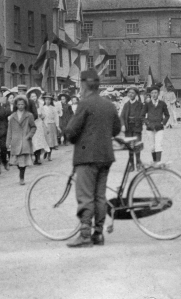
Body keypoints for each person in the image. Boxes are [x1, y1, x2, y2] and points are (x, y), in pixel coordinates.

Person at [63, 69, 122, 248]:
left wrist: (70, 136)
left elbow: (72, 131)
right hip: (105, 156)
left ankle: (85, 235)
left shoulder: (85, 104)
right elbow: (116, 129)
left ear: (84, 85)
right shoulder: (109, 105)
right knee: (100, 196)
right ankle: (98, 234)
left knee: (86, 196)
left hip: (87, 157)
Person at [5, 95, 36, 186]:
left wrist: (29, 135)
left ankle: (21, 177)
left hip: (25, 140)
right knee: (18, 162)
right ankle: (21, 172)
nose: (21, 106)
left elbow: (33, 127)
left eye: (22, 104)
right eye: (19, 104)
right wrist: (8, 141)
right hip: (15, 140)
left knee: (23, 161)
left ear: (25, 105)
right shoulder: (12, 116)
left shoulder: (29, 115)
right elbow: (9, 130)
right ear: (16, 105)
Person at [141, 85, 170, 163]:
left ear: (158, 94)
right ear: (150, 94)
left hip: (159, 127)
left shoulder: (162, 104)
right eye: (152, 93)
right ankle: (154, 162)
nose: (154, 95)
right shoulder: (147, 104)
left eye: (156, 93)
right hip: (150, 128)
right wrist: (147, 122)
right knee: (152, 146)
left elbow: (167, 115)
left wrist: (163, 123)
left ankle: (158, 163)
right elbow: (142, 115)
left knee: (159, 144)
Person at [120, 86, 144, 167]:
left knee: (137, 145)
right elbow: (122, 116)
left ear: (136, 94)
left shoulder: (140, 104)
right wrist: (123, 125)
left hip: (137, 127)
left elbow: (143, 116)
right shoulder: (126, 104)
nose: (131, 94)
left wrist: (142, 122)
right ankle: (131, 164)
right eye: (129, 93)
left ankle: (138, 163)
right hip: (128, 128)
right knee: (129, 146)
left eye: (133, 93)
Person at [27, 88, 48, 165]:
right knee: (33, 141)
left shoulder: (40, 104)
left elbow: (44, 114)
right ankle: (32, 157)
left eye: (35, 96)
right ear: (29, 97)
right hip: (31, 124)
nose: (34, 98)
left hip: (38, 124)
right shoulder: (28, 104)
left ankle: (38, 158)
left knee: (38, 141)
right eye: (32, 96)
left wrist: (41, 117)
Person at [40, 93, 59, 161]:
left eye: (49, 100)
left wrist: (57, 125)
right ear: (44, 100)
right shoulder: (42, 108)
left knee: (51, 141)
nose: (47, 101)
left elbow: (56, 117)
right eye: (46, 99)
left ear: (51, 101)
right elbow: (40, 116)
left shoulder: (53, 108)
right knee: (46, 140)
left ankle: (49, 155)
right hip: (45, 125)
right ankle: (46, 151)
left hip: (52, 125)